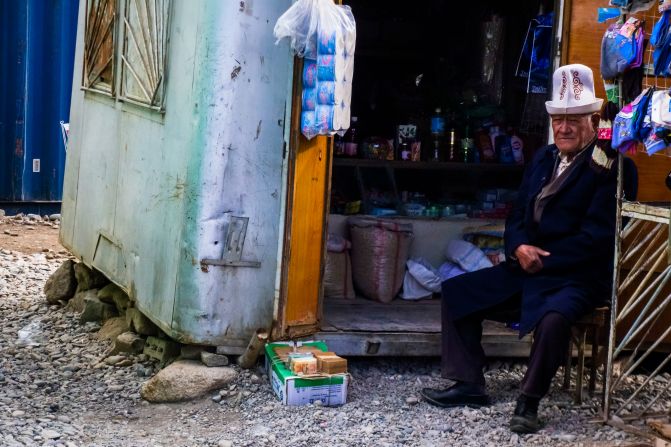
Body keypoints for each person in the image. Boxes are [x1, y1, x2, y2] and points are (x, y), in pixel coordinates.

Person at [420, 64, 638, 434]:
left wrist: (541, 260)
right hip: (526, 265)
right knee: (458, 292)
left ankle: (529, 401)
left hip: (576, 276)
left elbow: (598, 238)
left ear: (593, 120)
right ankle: (469, 382)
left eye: (574, 119)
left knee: (554, 319)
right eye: (558, 119)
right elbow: (518, 212)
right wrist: (518, 246)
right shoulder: (543, 158)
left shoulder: (615, 167)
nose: (564, 128)